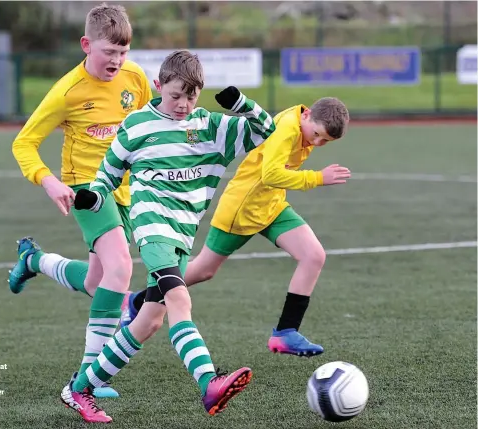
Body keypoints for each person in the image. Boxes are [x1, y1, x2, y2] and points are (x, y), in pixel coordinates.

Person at [61, 50, 276, 423]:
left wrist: (243, 104)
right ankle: (209, 383)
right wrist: (93, 197)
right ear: (158, 86)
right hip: (152, 227)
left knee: (148, 323)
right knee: (180, 299)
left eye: (191, 97)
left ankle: (79, 389)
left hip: (183, 232)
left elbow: (265, 130)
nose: (183, 104)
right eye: (176, 95)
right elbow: (107, 176)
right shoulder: (136, 125)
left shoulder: (209, 126)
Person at [123, 98, 351, 358]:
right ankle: (138, 301)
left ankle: (286, 332)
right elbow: (271, 175)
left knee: (313, 256)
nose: (318, 143)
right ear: (307, 114)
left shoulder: (303, 123)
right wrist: (318, 177)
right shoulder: (287, 130)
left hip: (271, 206)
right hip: (241, 209)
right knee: (203, 270)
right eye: (317, 135)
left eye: (325, 142)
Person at [9, 3, 152, 400]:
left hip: (124, 187)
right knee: (121, 268)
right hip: (87, 189)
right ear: (86, 45)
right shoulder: (67, 92)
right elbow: (24, 143)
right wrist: (50, 182)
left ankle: (33, 260)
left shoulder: (135, 76)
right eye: (109, 52)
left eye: (123, 52)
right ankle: (90, 376)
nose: (117, 60)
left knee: (97, 281)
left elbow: (143, 125)